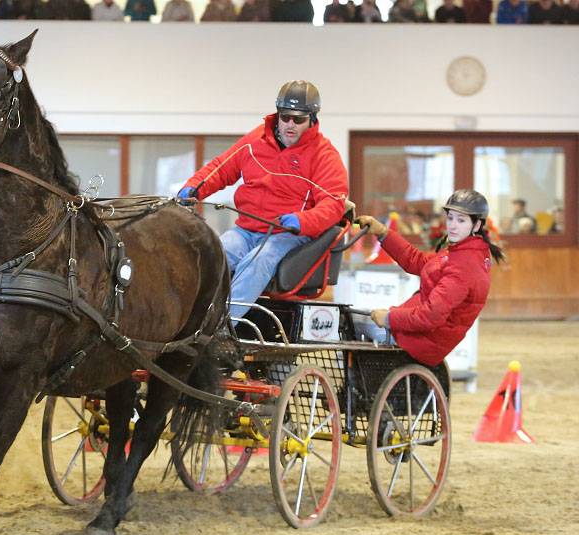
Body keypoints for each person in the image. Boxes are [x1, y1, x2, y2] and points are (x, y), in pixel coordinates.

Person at [177, 81, 348, 312]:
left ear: (312, 120)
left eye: (298, 119)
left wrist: (302, 221)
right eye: (285, 116)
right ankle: (185, 318)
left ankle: (225, 328)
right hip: (246, 230)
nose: (290, 124)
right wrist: (195, 187)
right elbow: (222, 167)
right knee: (213, 255)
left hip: (286, 235)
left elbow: (333, 205)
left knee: (256, 262)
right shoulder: (255, 141)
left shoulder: (324, 156)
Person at [354, 189, 505, 367]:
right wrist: (382, 233)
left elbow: (431, 316)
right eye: (451, 218)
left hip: (422, 340)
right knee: (355, 320)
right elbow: (415, 260)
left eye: (461, 220)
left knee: (356, 324)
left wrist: (389, 317)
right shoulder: (458, 252)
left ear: (477, 226)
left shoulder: (465, 265)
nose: (453, 225)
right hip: (418, 331)